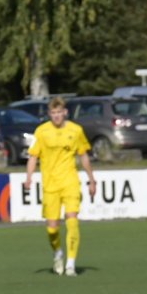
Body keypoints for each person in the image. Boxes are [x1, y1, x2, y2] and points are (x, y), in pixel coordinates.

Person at [24, 97, 96, 277]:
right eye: (53, 113)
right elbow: (33, 156)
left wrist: (91, 179)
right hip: (50, 185)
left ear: (65, 112)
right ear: (49, 114)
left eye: (59, 112)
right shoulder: (41, 131)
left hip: (70, 182)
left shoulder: (76, 130)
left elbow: (83, 155)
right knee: (52, 229)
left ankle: (71, 264)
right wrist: (29, 178)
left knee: (72, 220)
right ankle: (58, 253)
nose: (56, 116)